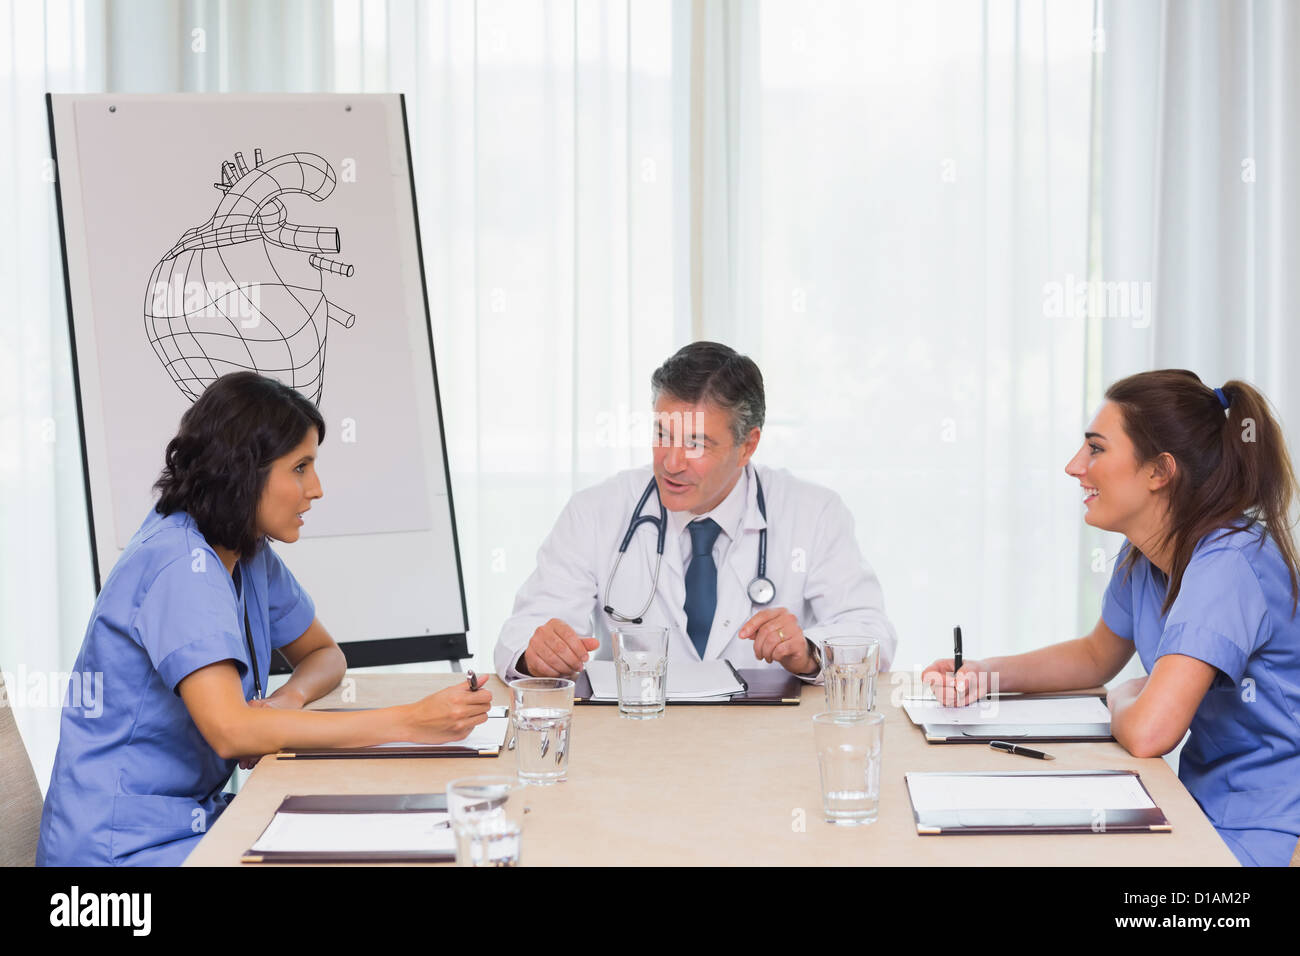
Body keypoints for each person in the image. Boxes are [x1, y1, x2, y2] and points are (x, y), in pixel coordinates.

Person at [37, 372, 492, 866]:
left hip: (195, 821)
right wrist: (409, 721)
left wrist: (287, 700)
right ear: (243, 471)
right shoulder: (178, 564)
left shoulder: (244, 551)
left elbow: (324, 654)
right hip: (120, 850)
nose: (315, 489)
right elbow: (232, 731)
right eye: (300, 467)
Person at [923, 370, 1300, 867]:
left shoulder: (1227, 564)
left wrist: (1122, 697)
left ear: (1159, 472)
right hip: (1198, 807)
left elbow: (1148, 733)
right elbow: (1096, 654)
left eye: (1096, 449)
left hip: (1263, 831)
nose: (1074, 466)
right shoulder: (1149, 553)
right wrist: (984, 674)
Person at [494, 341, 897, 683]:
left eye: (697, 445)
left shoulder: (814, 513)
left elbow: (870, 631)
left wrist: (809, 650)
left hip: (764, 744)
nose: (671, 463)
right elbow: (523, 630)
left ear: (747, 445)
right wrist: (538, 652)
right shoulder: (594, 512)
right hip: (636, 742)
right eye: (662, 435)